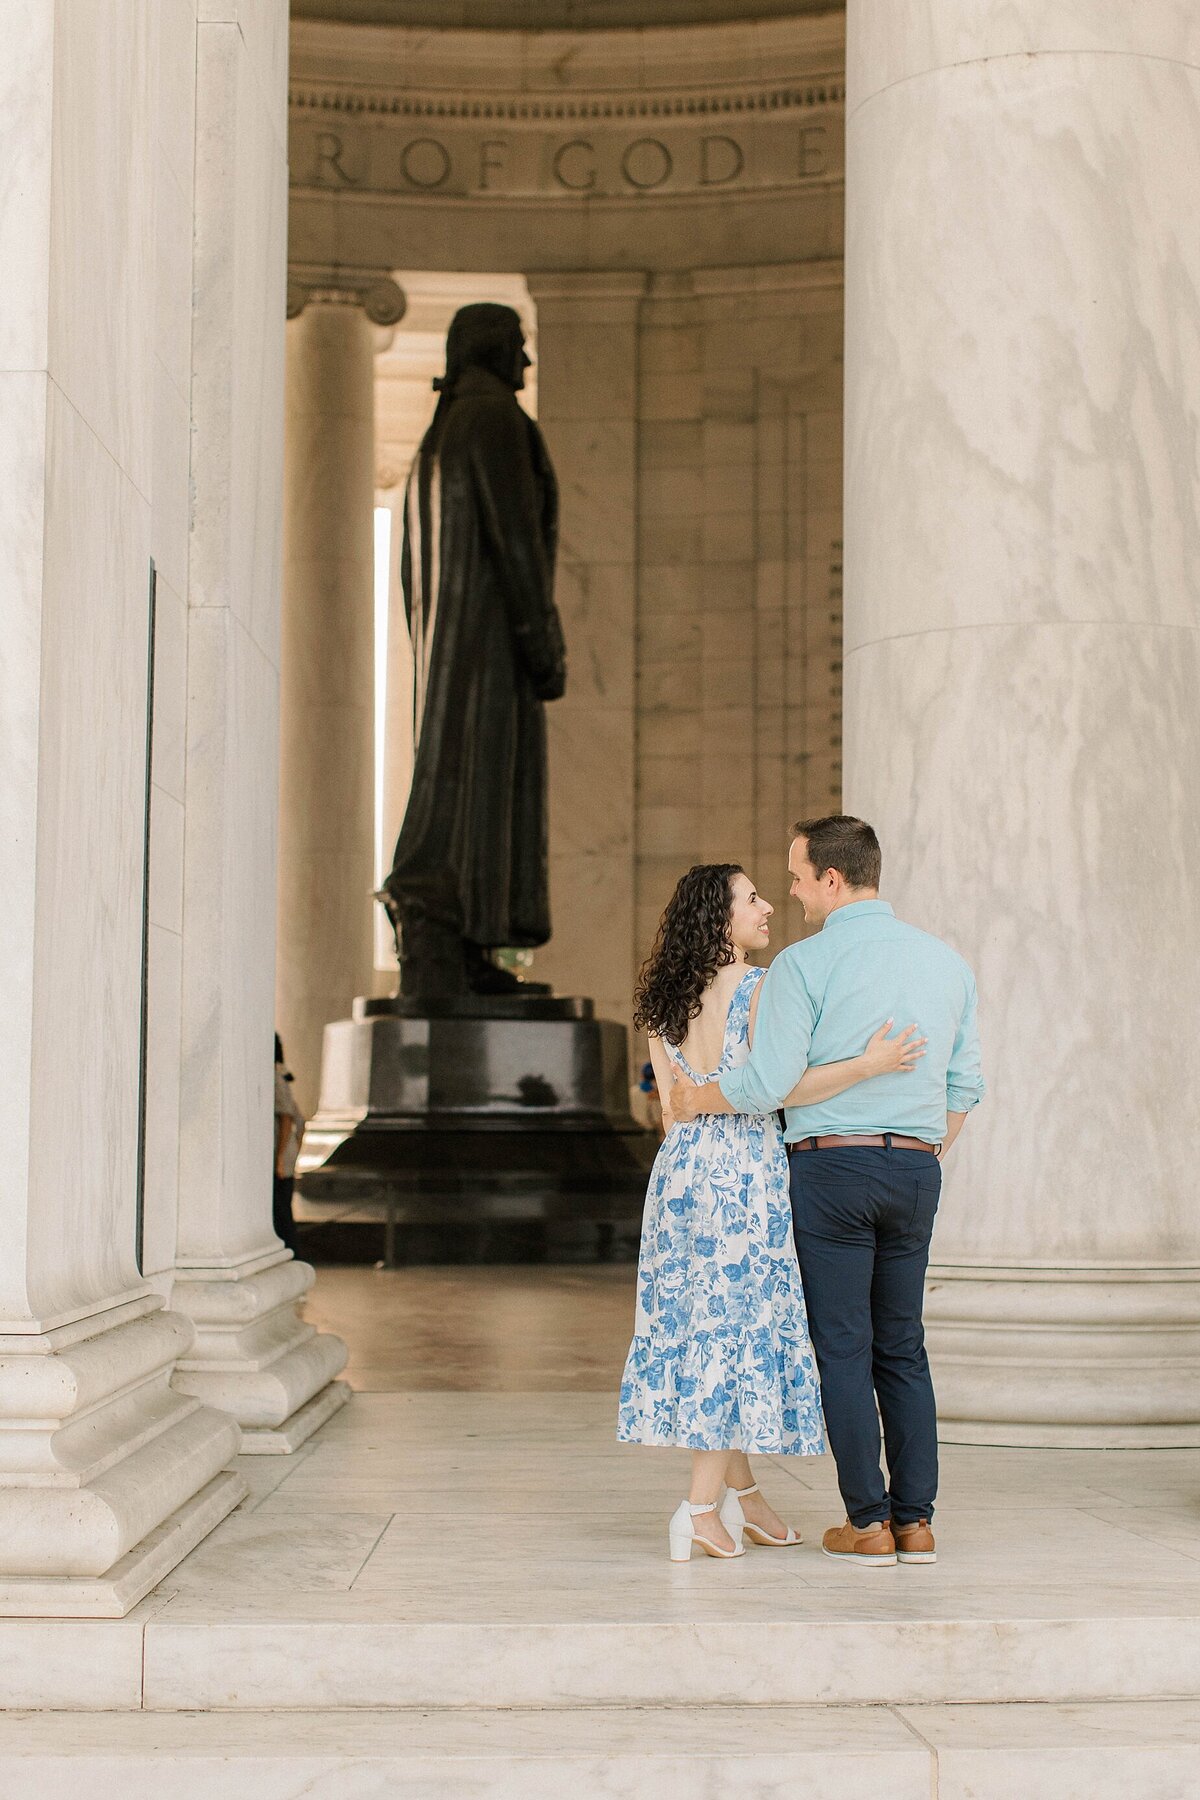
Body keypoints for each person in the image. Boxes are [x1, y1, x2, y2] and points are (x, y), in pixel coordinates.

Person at [671, 818, 985, 1568]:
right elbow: (964, 1084)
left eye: (799, 875)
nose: (792, 889)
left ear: (833, 880)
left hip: (830, 1168)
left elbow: (763, 1086)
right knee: (903, 1345)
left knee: (844, 1347)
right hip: (916, 1168)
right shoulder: (947, 964)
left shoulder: (803, 966)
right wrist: (926, 1152)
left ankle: (869, 1524)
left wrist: (697, 1098)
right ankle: (918, 1525)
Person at [617, 863, 927, 1562]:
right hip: (744, 1174)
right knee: (730, 1339)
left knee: (703, 1329)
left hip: (680, 1176)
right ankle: (698, 1510)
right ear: (719, 920)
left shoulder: (663, 1001)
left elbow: (671, 1112)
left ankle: (746, 1499)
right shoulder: (761, 987)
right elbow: (780, 1086)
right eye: (752, 899)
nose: (767, 908)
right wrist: (870, 1065)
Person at [378, 302, 566, 1000]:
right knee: (479, 783)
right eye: (517, 346)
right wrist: (541, 639)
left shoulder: (441, 436)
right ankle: (437, 924)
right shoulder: (492, 422)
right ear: (489, 351)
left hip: (454, 646)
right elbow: (516, 539)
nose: (526, 362)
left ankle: (455, 950)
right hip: (489, 646)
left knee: (468, 781)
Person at [273, 1034, 305, 1255]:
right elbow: (302, 1123)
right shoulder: (281, 1076)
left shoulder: (275, 1077)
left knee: (281, 1214)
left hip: (279, 1158)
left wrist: (280, 1158)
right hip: (285, 1156)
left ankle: (293, 1257)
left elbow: (287, 1118)